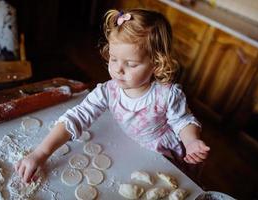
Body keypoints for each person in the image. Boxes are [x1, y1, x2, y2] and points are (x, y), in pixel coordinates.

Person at [15, 8, 210, 183]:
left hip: (164, 155)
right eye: (114, 59)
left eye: (131, 64)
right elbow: (76, 116)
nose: (118, 69)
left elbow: (183, 121)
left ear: (156, 64)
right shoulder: (107, 91)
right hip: (131, 148)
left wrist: (191, 141)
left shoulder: (167, 94)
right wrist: (40, 153)